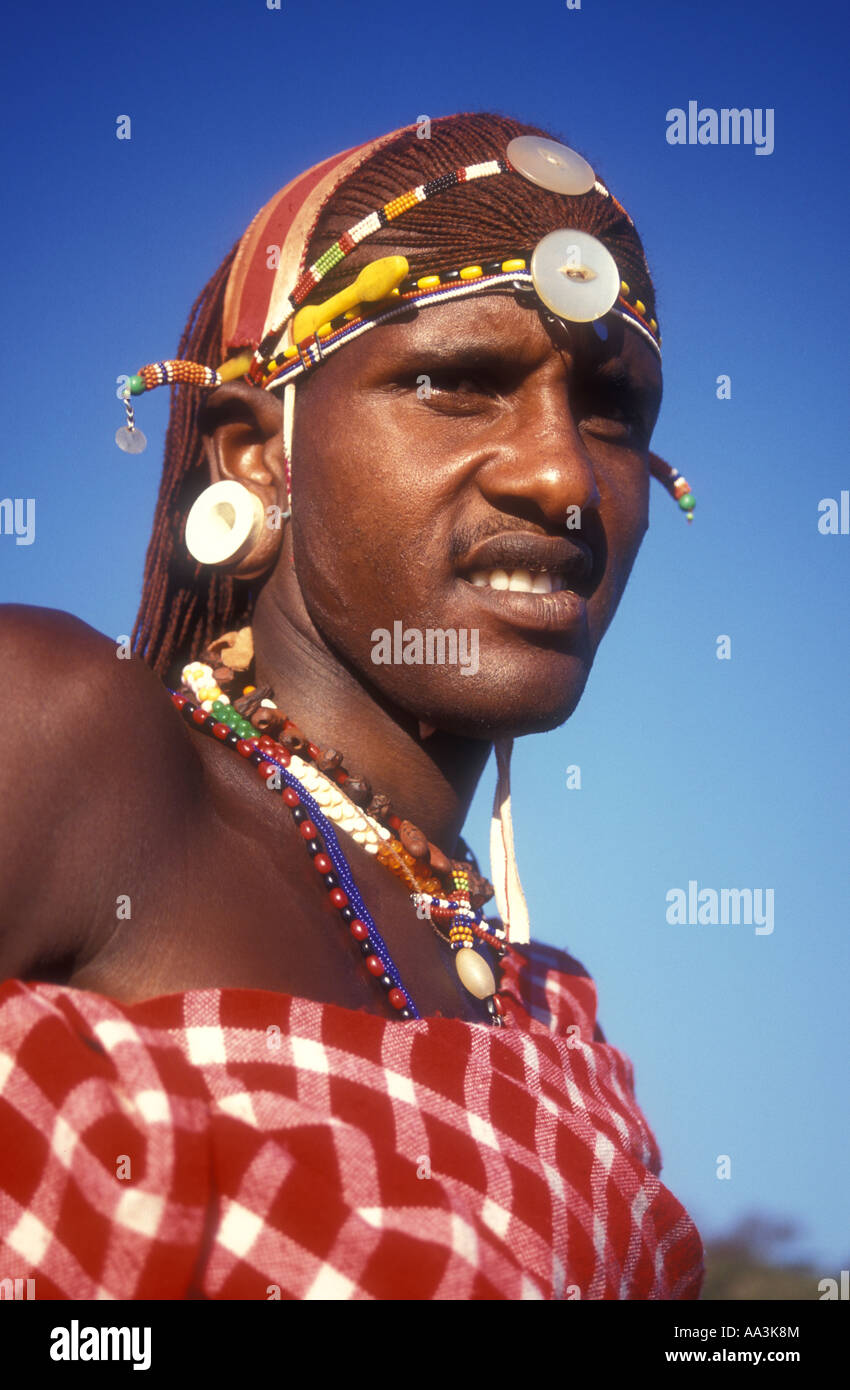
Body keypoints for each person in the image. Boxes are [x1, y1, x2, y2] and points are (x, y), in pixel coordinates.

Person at [0, 112, 702, 1299]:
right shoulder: (65, 736)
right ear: (252, 457)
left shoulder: (561, 1032)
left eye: (609, 412)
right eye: (457, 384)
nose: (562, 476)